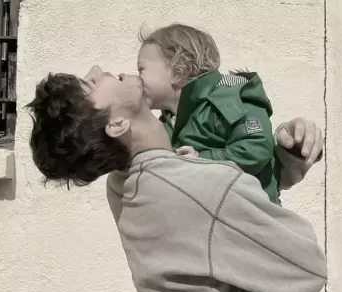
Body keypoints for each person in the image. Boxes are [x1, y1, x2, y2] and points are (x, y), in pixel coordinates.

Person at [27, 67, 327, 292]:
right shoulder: (203, 186)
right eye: (91, 84)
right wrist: (232, 174)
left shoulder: (122, 184)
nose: (98, 70)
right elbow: (308, 270)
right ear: (117, 124)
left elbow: (219, 224)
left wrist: (282, 156)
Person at [137, 24, 322, 203]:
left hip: (253, 214)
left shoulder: (230, 97)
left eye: (141, 69)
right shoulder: (167, 122)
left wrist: (202, 160)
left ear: (178, 71)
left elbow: (255, 148)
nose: (137, 79)